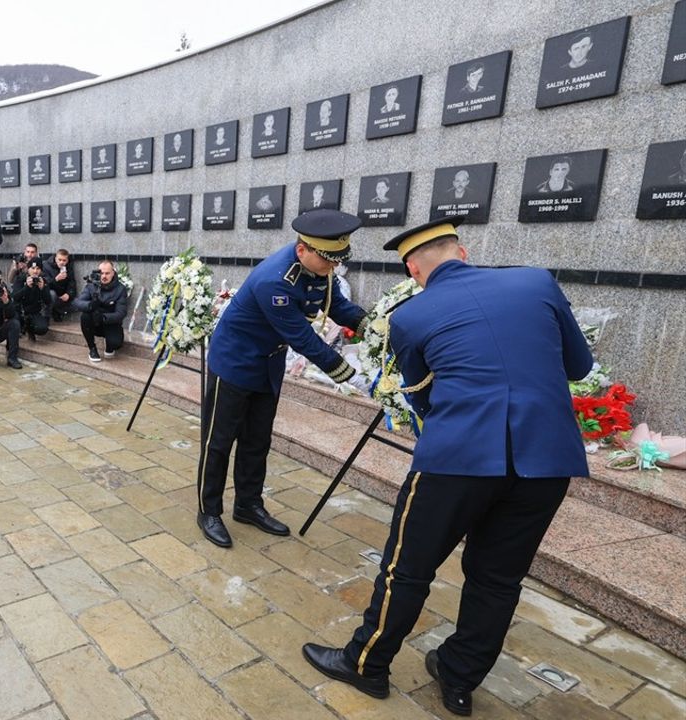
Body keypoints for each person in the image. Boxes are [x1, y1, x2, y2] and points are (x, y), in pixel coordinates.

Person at [303, 217, 593, 718]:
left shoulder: (412, 316)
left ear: (415, 271)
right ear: (463, 252)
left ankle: (366, 664)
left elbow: (421, 391)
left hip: (458, 459)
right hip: (547, 459)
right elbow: (579, 367)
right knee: (498, 578)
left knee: (407, 568)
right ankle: (458, 679)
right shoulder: (536, 280)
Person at [197, 209, 370, 548]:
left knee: (257, 441)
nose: (334, 268)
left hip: (268, 366)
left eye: (337, 261)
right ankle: (208, 510)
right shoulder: (276, 280)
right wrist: (354, 377)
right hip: (234, 363)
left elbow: (338, 307)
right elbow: (302, 338)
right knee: (218, 442)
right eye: (328, 261)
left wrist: (377, 329)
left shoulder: (320, 266)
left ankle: (248, 505)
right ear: (304, 249)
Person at [73, 260, 129, 362]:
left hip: (111, 323)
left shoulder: (120, 289)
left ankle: (109, 346)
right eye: (101, 273)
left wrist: (104, 317)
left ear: (113, 273)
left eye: (107, 273)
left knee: (115, 343)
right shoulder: (91, 286)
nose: (104, 276)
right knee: (85, 316)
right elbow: (77, 302)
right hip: (94, 323)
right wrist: (90, 306)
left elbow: (121, 313)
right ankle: (92, 349)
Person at [11, 257, 51, 340]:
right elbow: (15, 297)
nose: (35, 271)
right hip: (20, 311)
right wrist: (26, 287)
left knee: (42, 329)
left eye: (38, 268)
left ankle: (30, 329)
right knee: (15, 325)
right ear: (28, 269)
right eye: (32, 268)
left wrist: (43, 289)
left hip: (34, 312)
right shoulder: (20, 279)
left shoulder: (42, 281)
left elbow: (48, 301)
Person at [43, 248, 76, 321]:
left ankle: (57, 310)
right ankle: (47, 316)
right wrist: (56, 279)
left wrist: (68, 294)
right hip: (50, 293)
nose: (61, 262)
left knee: (77, 304)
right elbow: (44, 284)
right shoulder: (46, 265)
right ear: (55, 258)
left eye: (64, 260)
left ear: (67, 260)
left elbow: (72, 283)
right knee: (52, 294)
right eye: (59, 260)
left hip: (62, 294)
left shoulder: (69, 267)